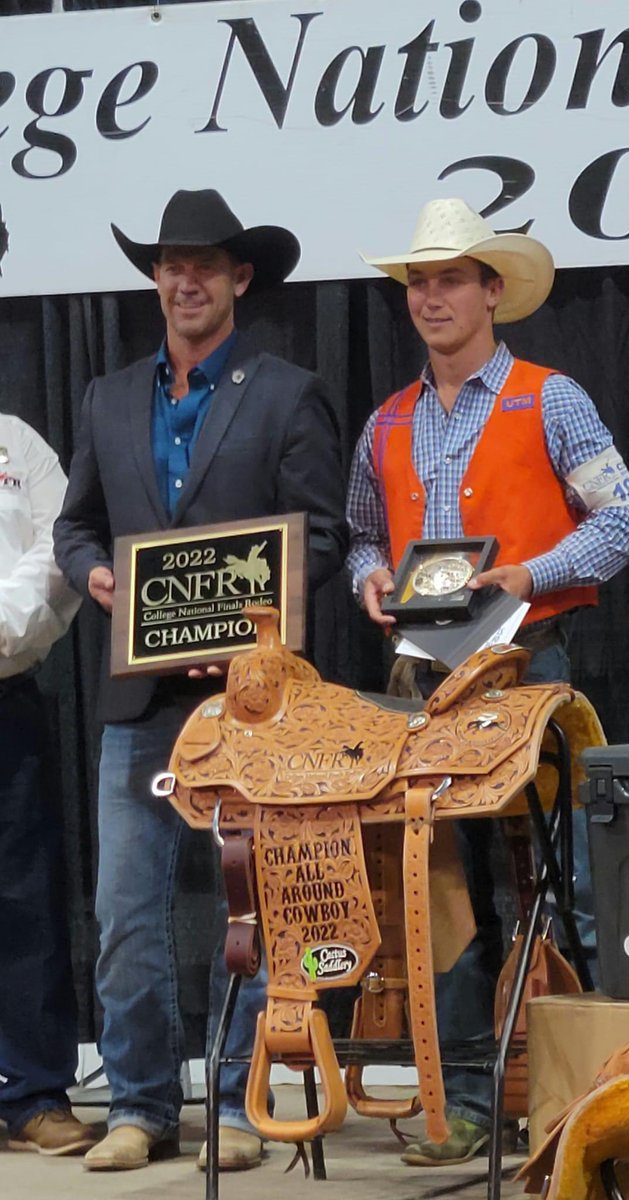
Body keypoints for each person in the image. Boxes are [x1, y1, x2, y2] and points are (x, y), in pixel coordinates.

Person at [346, 197, 629, 1165]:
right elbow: (361, 532)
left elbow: (626, 521)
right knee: (442, 889)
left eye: (449, 279)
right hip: (420, 676)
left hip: (530, 665)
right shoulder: (387, 419)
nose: (431, 297)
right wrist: (365, 579)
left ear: (491, 291)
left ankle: (609, 1088)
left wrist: (528, 573)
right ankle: (472, 1100)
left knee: (563, 885)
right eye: (419, 282)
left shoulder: (550, 398)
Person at [54, 189, 347, 1172]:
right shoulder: (105, 397)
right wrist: (92, 574)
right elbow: (76, 524)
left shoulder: (286, 390)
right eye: (172, 265)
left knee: (251, 911)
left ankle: (237, 1101)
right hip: (140, 707)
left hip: (254, 703)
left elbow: (324, 534)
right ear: (156, 279)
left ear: (239, 280)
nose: (186, 281)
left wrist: (258, 623)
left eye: (206, 266)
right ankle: (140, 1106)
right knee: (125, 913)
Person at [0, 414, 93, 1155]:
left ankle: (34, 1092)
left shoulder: (15, 441)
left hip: (5, 688)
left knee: (25, 899)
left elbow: (58, 547)